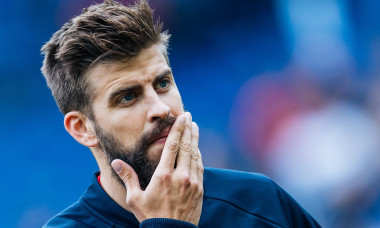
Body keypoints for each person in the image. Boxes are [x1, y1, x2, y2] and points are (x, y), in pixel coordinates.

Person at [41, 0, 320, 227]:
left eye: (163, 83)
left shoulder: (260, 202)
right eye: (128, 97)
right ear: (82, 128)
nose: (161, 108)